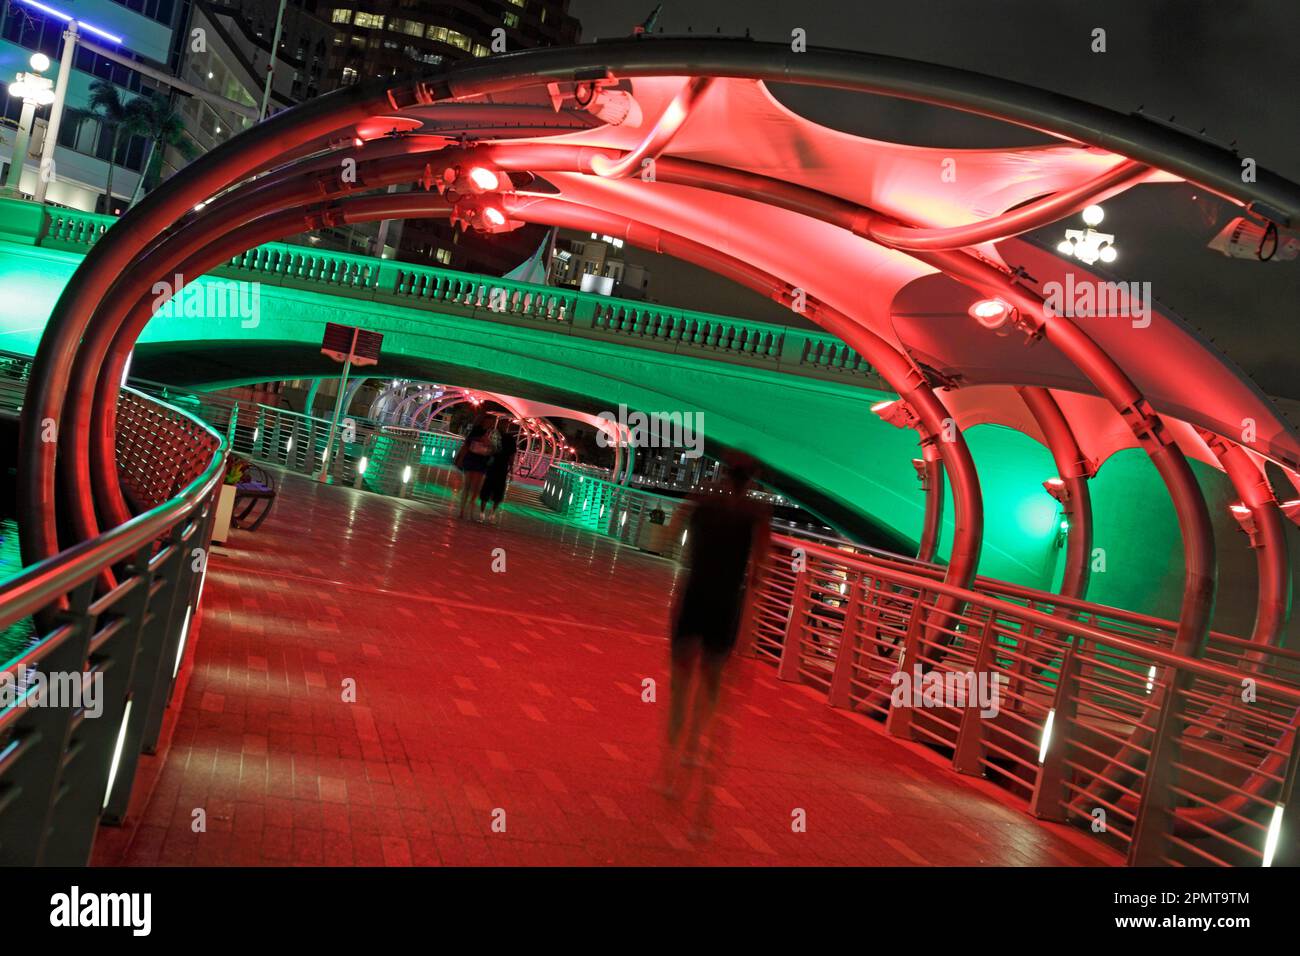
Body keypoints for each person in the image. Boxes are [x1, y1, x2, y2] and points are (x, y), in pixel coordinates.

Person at [654, 453, 771, 839]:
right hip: (726, 605)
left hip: (693, 598)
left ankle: (668, 771)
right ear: (751, 480)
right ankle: (696, 752)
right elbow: (759, 572)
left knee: (679, 685)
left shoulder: (700, 503)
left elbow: (665, 541)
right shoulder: (757, 515)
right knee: (713, 690)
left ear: (723, 475)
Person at [454, 414, 494, 519]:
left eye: (490, 422)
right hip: (473, 460)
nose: (489, 424)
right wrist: (460, 459)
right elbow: (466, 446)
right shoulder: (478, 432)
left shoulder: (491, 434)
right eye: (488, 422)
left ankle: (468, 510)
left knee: (475, 488)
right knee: (468, 485)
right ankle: (463, 510)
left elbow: (493, 450)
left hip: (480, 461)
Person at [478, 422, 518, 523]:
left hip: (493, 466)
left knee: (486, 490)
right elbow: (512, 456)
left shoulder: (494, 436)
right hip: (502, 468)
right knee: (498, 492)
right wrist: (511, 470)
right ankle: (491, 515)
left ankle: (482, 514)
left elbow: (488, 450)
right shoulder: (510, 439)